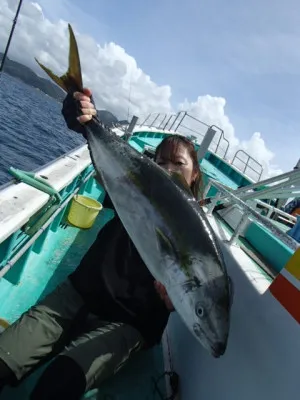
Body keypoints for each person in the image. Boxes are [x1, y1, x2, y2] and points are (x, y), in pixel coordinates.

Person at [0, 88, 203, 399]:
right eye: (161, 162)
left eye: (178, 163)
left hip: (128, 323)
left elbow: (197, 290)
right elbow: (105, 170)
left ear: (195, 175)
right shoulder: (134, 191)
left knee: (56, 386)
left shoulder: (200, 235)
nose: (168, 169)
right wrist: (85, 123)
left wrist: (178, 303)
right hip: (78, 292)